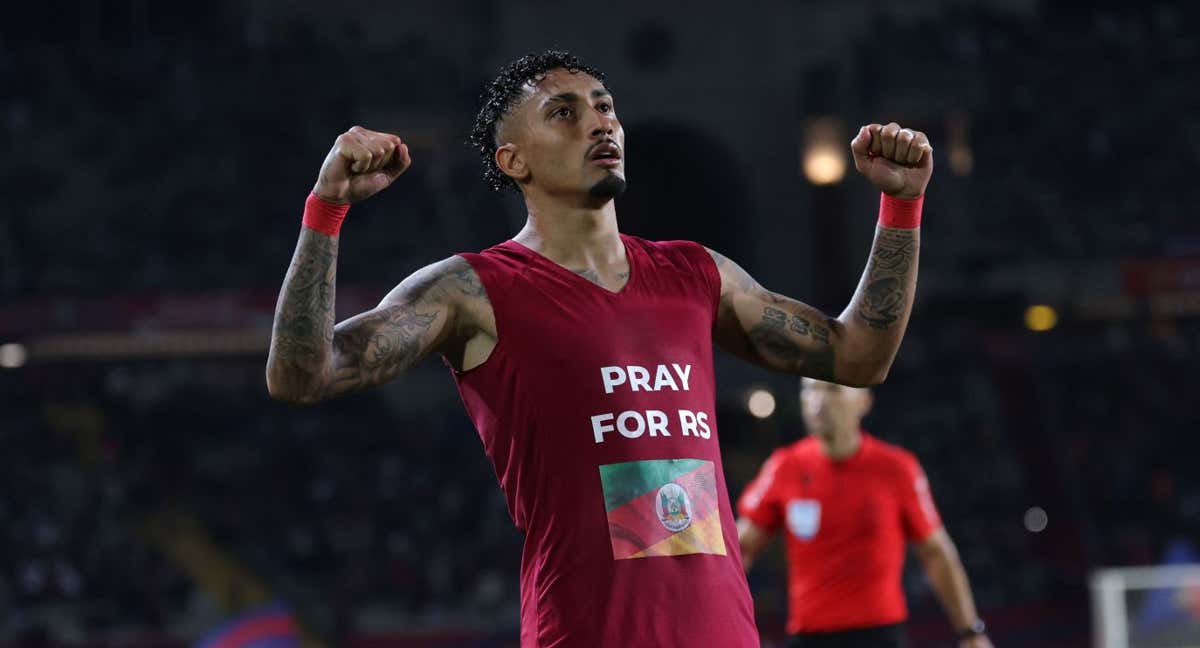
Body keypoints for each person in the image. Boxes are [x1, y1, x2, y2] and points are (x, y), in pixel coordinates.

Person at [266, 49, 932, 648]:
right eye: (564, 112)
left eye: (605, 108)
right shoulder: (472, 290)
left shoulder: (695, 274)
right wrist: (325, 211)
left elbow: (857, 357)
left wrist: (900, 209)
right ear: (514, 160)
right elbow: (304, 375)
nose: (600, 124)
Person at [737, 378, 992, 648]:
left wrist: (970, 632)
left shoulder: (896, 468)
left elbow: (936, 553)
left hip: (879, 635)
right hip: (810, 636)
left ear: (864, 402)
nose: (817, 401)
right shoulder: (784, 467)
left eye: (832, 390)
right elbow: (742, 548)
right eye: (809, 390)